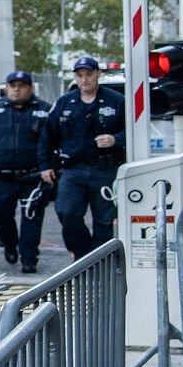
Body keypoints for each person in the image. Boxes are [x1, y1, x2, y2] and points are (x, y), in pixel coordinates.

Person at [39, 55, 125, 258]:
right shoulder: (64, 102)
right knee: (66, 212)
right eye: (80, 75)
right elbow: (47, 136)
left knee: (104, 221)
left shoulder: (116, 101)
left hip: (105, 169)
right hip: (73, 169)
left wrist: (115, 139)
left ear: (98, 74)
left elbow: (132, 131)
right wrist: (45, 165)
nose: (84, 80)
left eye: (88, 75)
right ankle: (83, 254)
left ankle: (101, 261)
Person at [0, 72, 52, 273]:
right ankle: (9, 244)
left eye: (22, 85)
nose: (17, 89)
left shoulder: (44, 111)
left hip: (33, 176)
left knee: (31, 217)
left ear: (31, 88)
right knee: (0, 214)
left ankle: (29, 258)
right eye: (13, 85)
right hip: (1, 175)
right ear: (6, 87)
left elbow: (54, 141)